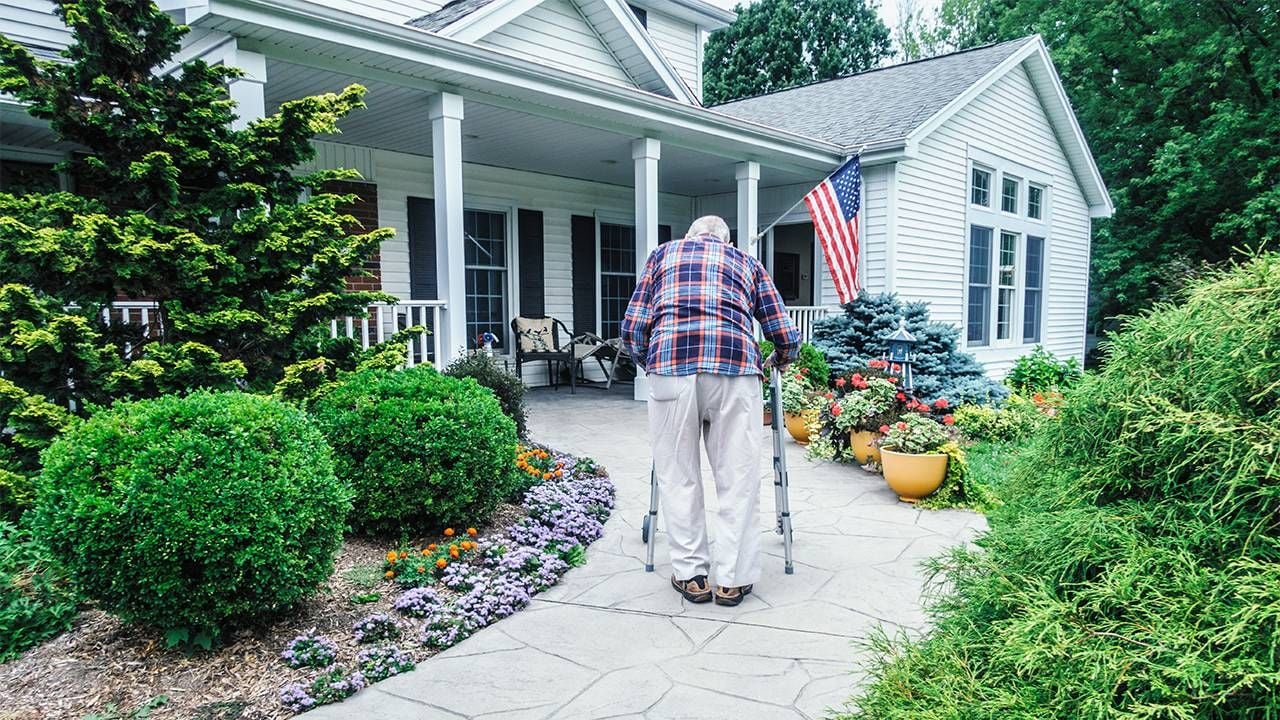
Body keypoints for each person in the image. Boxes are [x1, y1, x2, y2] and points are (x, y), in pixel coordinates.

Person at [621, 215, 800, 606]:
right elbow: (781, 329)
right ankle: (732, 580)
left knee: (677, 474)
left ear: (690, 236)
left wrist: (652, 361)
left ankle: (691, 576)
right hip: (735, 372)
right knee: (737, 476)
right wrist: (782, 358)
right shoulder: (746, 263)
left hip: (671, 371)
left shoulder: (662, 256)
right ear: (726, 240)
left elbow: (633, 327)